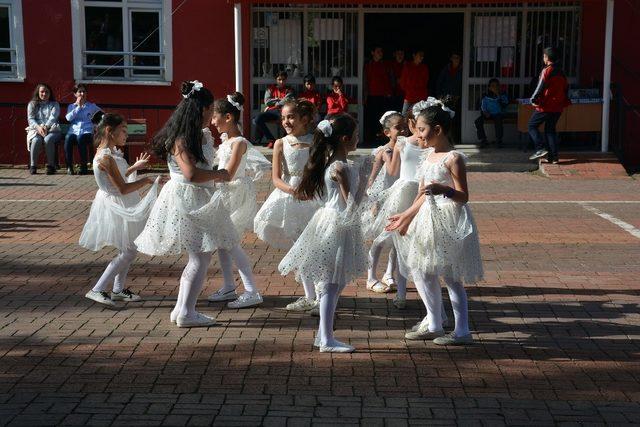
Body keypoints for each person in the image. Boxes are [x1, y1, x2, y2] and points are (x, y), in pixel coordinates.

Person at [135, 81, 237, 328]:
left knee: (198, 257)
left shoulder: (195, 135)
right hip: (188, 198)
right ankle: (187, 312)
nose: (212, 114)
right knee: (200, 259)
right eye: (210, 109)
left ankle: (182, 308)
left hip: (195, 196)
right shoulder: (181, 139)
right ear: (200, 109)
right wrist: (219, 174)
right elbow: (191, 174)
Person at [386, 99, 483, 345]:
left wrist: (444, 190)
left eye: (421, 129)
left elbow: (463, 196)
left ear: (437, 130)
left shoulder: (453, 158)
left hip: (448, 218)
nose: (418, 135)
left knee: (450, 275)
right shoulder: (427, 156)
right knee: (422, 269)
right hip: (425, 219)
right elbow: (421, 194)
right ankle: (434, 322)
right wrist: (405, 216)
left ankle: (462, 331)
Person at [279, 114, 369, 353]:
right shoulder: (339, 167)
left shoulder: (334, 163)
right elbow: (351, 203)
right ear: (345, 139)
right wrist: (366, 180)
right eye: (357, 136)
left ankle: (323, 335)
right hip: (336, 223)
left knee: (335, 282)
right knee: (331, 282)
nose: (359, 140)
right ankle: (327, 339)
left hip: (332, 221)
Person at [79, 111, 160, 306]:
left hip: (119, 200)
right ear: (109, 131)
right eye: (123, 130)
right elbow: (122, 188)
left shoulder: (110, 153)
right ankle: (98, 288)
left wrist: (135, 167)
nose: (126, 134)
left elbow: (119, 176)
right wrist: (147, 180)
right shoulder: (105, 157)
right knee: (129, 250)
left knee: (128, 247)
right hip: (116, 203)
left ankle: (118, 289)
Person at [254, 99, 321, 312]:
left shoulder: (317, 141)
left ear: (305, 119)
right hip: (291, 198)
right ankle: (310, 295)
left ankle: (322, 296)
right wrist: (294, 191)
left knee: (315, 247)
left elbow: (322, 170)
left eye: (290, 117)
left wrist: (310, 190)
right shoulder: (281, 143)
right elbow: (276, 178)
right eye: (283, 118)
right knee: (299, 247)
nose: (286, 121)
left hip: (314, 196)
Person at [207, 92, 271, 309]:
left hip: (233, 194)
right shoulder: (227, 141)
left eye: (215, 117)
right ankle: (228, 286)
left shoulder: (239, 143)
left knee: (230, 242)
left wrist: (204, 177)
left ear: (228, 117)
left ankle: (252, 290)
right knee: (222, 244)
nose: (212, 122)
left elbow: (230, 172)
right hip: (224, 193)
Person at [363, 111, 405, 299]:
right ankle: (371, 276)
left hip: (402, 198)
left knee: (398, 239)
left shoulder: (408, 149)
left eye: (404, 126)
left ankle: (390, 273)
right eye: (398, 127)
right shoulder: (382, 151)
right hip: (384, 200)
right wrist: (373, 202)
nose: (402, 130)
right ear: (388, 132)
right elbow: (373, 178)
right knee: (379, 239)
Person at [528, 47, 570, 164]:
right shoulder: (561, 72)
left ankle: (540, 148)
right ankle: (554, 157)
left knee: (531, 125)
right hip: (558, 107)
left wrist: (533, 98)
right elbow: (566, 88)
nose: (543, 58)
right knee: (550, 130)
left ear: (546, 57)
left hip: (546, 105)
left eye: (544, 56)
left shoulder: (547, 70)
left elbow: (540, 86)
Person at [64, 84, 101, 175]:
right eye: (79, 92)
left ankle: (83, 166)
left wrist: (97, 124)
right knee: (68, 139)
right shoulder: (71, 106)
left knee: (81, 138)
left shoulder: (91, 106)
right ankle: (69, 167)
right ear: (75, 94)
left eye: (84, 91)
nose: (82, 93)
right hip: (74, 131)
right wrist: (78, 107)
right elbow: (68, 118)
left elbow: (102, 114)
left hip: (87, 132)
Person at [26, 83, 62, 175]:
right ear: (38, 93)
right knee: (36, 140)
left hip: (52, 129)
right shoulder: (32, 104)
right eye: (42, 92)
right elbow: (31, 119)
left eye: (46, 92)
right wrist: (38, 127)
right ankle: (33, 166)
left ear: (50, 94)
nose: (44, 94)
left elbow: (53, 117)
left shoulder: (54, 104)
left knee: (48, 139)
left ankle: (51, 166)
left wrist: (45, 127)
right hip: (36, 129)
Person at [255, 71, 295, 148]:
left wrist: (275, 102)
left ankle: (285, 140)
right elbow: (267, 102)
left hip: (284, 112)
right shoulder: (270, 89)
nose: (281, 82)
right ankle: (271, 139)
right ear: (276, 79)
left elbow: (287, 100)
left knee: (289, 119)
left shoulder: (289, 90)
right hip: (272, 112)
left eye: (283, 79)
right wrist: (280, 100)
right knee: (257, 119)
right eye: (279, 79)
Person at [364, 46, 393, 144]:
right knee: (372, 117)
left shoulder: (384, 65)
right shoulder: (368, 65)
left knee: (382, 117)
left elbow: (387, 80)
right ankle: (370, 138)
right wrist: (365, 94)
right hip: (372, 95)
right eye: (378, 51)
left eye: (381, 51)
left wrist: (388, 92)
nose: (380, 53)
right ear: (372, 52)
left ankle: (382, 137)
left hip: (382, 95)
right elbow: (366, 81)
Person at [436, 53, 463, 144]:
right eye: (454, 57)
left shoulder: (462, 69)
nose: (456, 59)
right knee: (446, 118)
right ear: (451, 58)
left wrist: (459, 96)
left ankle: (457, 139)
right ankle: (446, 139)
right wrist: (440, 96)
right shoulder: (446, 69)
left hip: (458, 98)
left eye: (458, 58)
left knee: (457, 119)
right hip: (446, 98)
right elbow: (439, 82)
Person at [474, 78, 509, 148]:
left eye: (496, 86)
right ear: (489, 87)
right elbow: (482, 106)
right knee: (478, 121)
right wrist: (485, 112)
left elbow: (504, 105)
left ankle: (499, 140)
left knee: (498, 119)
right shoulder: (485, 96)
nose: (495, 87)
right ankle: (483, 140)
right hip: (488, 114)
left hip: (499, 114)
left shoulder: (503, 95)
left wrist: (498, 95)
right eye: (493, 86)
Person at [399, 50, 430, 116]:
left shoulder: (424, 68)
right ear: (414, 55)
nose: (422, 57)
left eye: (422, 56)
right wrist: (408, 90)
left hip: (421, 98)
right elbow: (403, 81)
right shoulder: (407, 66)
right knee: (404, 116)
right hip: (409, 97)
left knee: (419, 117)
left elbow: (425, 82)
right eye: (420, 55)